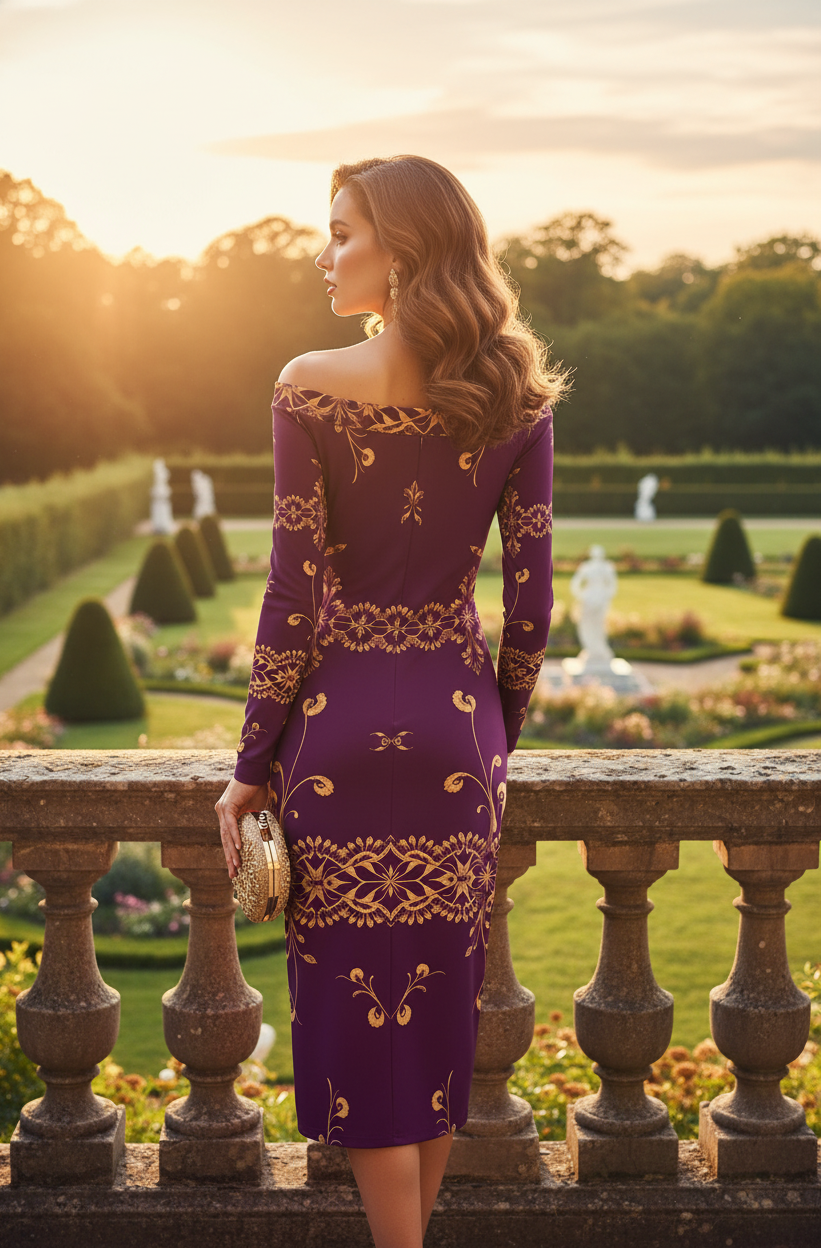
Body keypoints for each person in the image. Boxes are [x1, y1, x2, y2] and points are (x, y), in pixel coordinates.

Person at [215, 155, 563, 1247]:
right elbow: (532, 607)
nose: (324, 256)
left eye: (340, 234)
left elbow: (291, 597)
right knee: (435, 1011)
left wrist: (249, 765)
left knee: (364, 1020)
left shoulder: (308, 385)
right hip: (459, 737)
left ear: (401, 251)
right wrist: (494, 730)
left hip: (337, 742)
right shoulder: (516, 397)